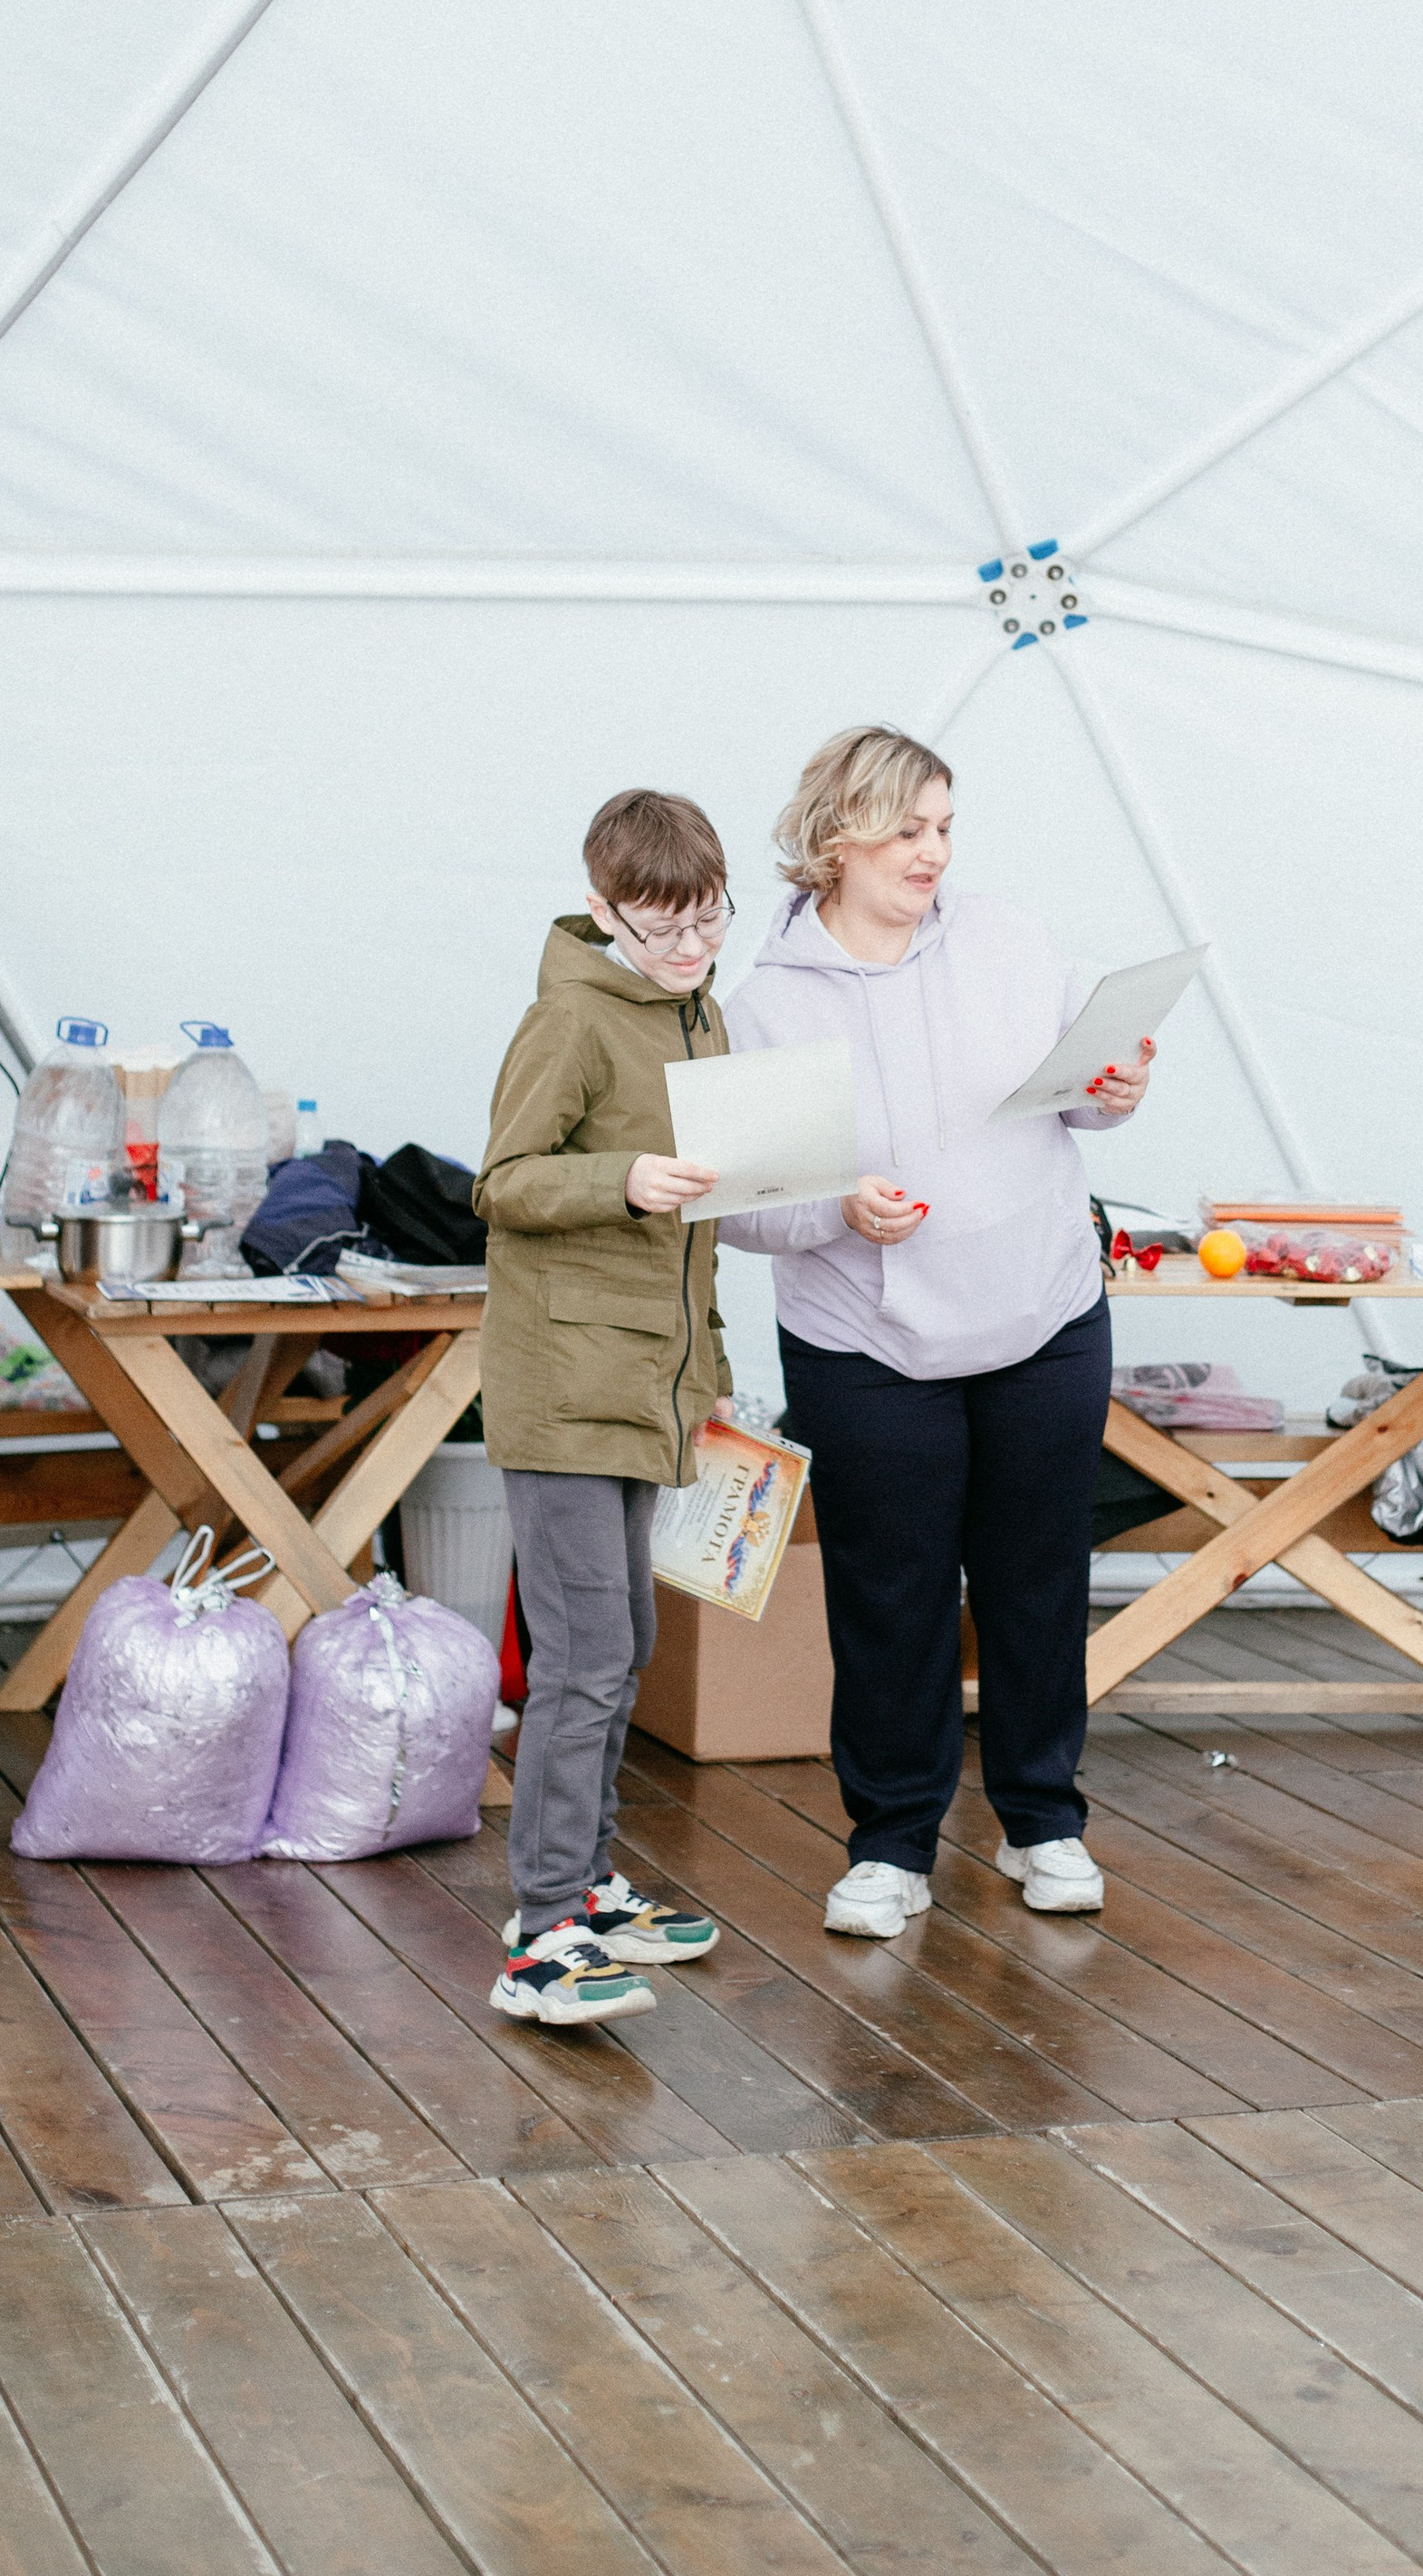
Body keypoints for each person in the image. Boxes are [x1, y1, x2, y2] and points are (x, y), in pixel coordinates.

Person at [719, 725, 1152, 1938]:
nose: (933, 853)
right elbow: (752, 1212)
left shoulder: (1010, 940)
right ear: (835, 838)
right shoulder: (765, 1004)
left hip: (1046, 1309)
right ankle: (892, 1843)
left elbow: (1083, 1086)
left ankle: (1042, 1824)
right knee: (893, 1593)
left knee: (1037, 1579)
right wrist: (842, 1206)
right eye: (908, 829)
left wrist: (1116, 1090)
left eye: (945, 827)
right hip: (869, 1344)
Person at [473, 787, 734, 2028]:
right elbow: (505, 1183)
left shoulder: (700, 1017)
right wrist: (619, 1179)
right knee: (582, 1659)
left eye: (707, 921)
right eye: (661, 927)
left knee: (621, 1642)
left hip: (647, 1384)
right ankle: (541, 1931)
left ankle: (585, 1885)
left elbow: (704, 1245)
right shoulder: (568, 1020)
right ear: (602, 909)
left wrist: (713, 1381)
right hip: (564, 1386)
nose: (689, 949)